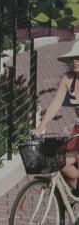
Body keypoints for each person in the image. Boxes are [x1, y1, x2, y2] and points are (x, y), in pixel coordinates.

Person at [34, 43, 79, 194]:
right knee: (61, 161)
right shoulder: (68, 79)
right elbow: (55, 104)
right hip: (77, 131)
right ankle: (76, 194)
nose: (74, 61)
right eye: (73, 58)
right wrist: (40, 128)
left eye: (78, 58)